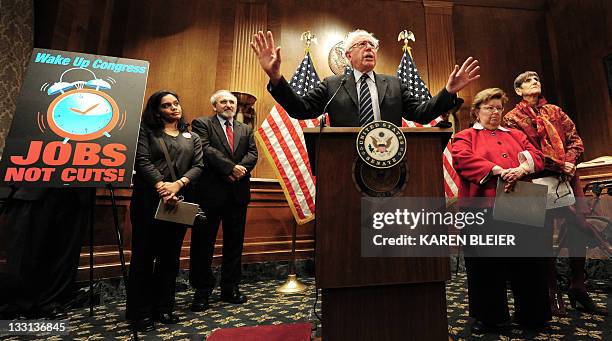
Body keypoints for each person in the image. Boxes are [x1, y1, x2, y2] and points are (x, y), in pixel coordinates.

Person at [503, 71, 608, 316]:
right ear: (518, 90)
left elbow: (575, 140)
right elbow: (525, 152)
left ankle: (579, 286)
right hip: (535, 180)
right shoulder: (511, 118)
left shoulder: (555, 111)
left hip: (567, 177)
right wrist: (559, 164)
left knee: (578, 228)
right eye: (528, 80)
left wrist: (569, 162)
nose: (535, 81)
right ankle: (551, 293)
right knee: (542, 236)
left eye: (537, 78)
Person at [451, 88, 550, 333]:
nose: (495, 112)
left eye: (498, 108)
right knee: (487, 265)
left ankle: (532, 315)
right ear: (476, 111)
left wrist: (522, 169)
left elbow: (538, 157)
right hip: (483, 207)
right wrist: (498, 170)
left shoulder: (516, 134)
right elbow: (463, 160)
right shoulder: (465, 136)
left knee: (529, 263)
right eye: (489, 108)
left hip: (522, 203)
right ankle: (490, 318)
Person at [250, 29, 479, 127]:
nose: (369, 48)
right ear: (348, 55)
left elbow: (421, 114)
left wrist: (448, 92)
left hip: (389, 162)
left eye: (373, 45)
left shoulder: (394, 84)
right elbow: (301, 109)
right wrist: (276, 77)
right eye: (362, 44)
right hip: (345, 162)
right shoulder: (332, 85)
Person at [126, 90, 203, 331]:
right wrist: (162, 187)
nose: (173, 108)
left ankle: (164, 308)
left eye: (176, 103)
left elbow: (199, 165)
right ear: (157, 110)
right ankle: (140, 312)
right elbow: (142, 160)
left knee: (170, 258)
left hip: (178, 202)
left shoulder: (192, 136)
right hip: (149, 200)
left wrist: (177, 185)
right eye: (166, 105)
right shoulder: (146, 132)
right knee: (144, 257)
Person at [189, 90, 258, 311]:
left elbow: (252, 153)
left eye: (231, 102)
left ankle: (231, 288)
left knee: (234, 244)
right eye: (223, 101)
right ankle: (202, 291)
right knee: (203, 244)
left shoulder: (245, 129)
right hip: (209, 194)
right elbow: (205, 149)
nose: (228, 105)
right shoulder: (201, 123)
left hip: (237, 194)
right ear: (215, 106)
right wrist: (230, 168)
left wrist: (240, 170)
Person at [0, 187, 95, 319]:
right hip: (31, 186)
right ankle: (20, 304)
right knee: (24, 251)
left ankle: (52, 301)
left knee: (66, 253)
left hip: (76, 189)